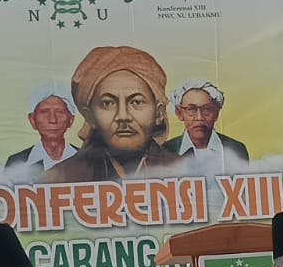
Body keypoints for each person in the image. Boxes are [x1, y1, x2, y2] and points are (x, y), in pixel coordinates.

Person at [42, 46, 183, 183]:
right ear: (90, 116)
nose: (123, 116)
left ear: (158, 113)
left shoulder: (185, 172)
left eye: (136, 102)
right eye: (108, 103)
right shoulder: (60, 179)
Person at [162, 79, 249, 172]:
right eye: (192, 109)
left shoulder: (236, 149)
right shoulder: (166, 150)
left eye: (207, 109)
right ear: (179, 113)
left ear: (216, 114)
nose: (199, 117)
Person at [4, 85, 78, 179]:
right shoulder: (17, 162)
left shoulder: (86, 160)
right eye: (44, 112)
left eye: (59, 112)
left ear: (71, 120)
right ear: (32, 120)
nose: (52, 120)